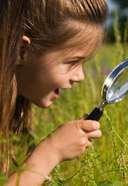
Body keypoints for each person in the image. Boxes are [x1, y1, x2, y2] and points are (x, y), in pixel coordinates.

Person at [0, 0, 108, 185]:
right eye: (72, 62)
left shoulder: (15, 115)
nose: (80, 76)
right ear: (22, 50)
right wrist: (52, 152)